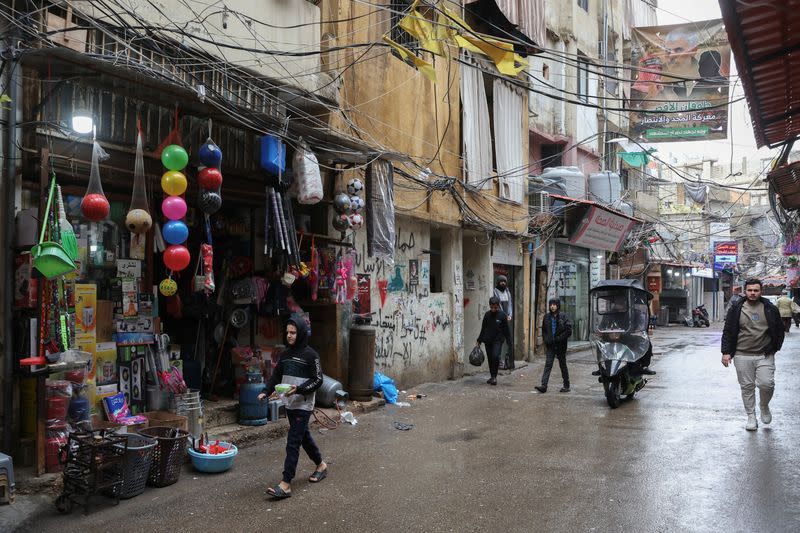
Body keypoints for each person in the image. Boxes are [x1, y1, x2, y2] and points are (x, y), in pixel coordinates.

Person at [259, 313, 327, 499]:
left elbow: (318, 380)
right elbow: (276, 376)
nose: (289, 335)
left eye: (293, 332)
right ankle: (321, 465)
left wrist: (299, 389)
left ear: (302, 333)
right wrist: (266, 391)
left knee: (293, 441)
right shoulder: (285, 355)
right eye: (287, 332)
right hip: (289, 402)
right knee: (303, 436)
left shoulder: (311, 355)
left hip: (303, 404)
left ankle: (286, 483)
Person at [721, 279, 784, 431]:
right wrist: (726, 352)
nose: (753, 293)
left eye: (756, 290)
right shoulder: (737, 308)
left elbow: (779, 330)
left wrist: (774, 348)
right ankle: (751, 416)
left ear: (760, 291)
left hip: (764, 354)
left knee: (766, 384)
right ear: (745, 291)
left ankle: (764, 405)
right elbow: (728, 330)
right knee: (747, 387)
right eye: (750, 290)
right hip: (742, 355)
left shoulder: (770, 308)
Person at [536, 298, 572, 393]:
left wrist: (559, 338)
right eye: (551, 304)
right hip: (551, 345)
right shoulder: (547, 317)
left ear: (558, 305)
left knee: (562, 365)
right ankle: (544, 385)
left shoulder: (564, 316)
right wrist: (546, 339)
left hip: (561, 345)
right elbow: (544, 330)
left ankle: (566, 385)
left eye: (554, 304)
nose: (552, 306)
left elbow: (569, 331)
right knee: (548, 364)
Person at [476, 296, 512, 386]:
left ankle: (494, 377)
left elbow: (506, 330)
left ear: (498, 306)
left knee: (495, 356)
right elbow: (483, 328)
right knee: (490, 359)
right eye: (491, 307)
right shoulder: (487, 315)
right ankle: (492, 376)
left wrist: (509, 341)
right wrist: (479, 340)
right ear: (490, 306)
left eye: (495, 307)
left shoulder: (502, 315)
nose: (493, 309)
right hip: (488, 340)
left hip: (498, 340)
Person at [493, 275, 514, 370]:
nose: (503, 283)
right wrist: (503, 316)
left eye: (504, 281)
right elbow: (498, 305)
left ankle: (509, 362)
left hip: (507, 320)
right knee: (499, 341)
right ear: (498, 282)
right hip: (499, 320)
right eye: (501, 281)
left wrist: (510, 315)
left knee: (509, 340)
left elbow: (509, 305)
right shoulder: (495, 291)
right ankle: (499, 362)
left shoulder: (507, 292)